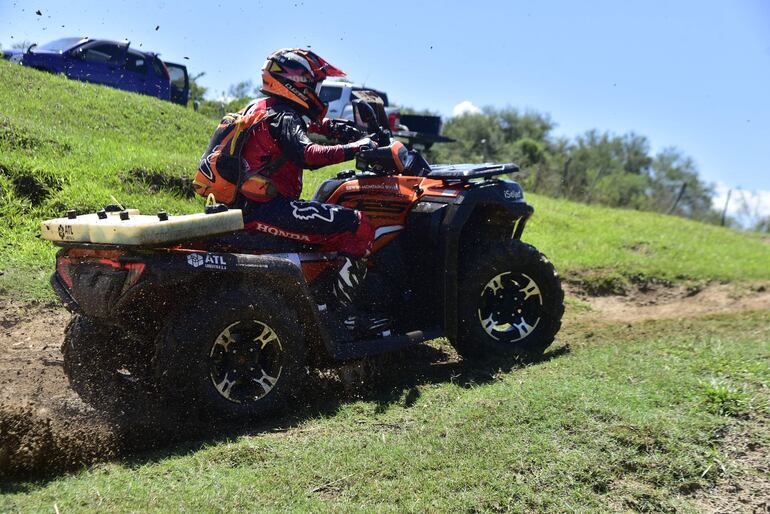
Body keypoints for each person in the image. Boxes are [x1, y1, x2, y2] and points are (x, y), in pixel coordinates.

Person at [237, 48, 386, 334]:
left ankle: (319, 295)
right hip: (269, 209)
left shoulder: (261, 107)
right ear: (295, 82)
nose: (316, 90)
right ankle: (342, 316)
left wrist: (339, 129)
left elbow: (306, 128)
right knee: (358, 226)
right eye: (313, 83)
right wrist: (355, 148)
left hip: (248, 205)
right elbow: (307, 153)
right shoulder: (283, 115)